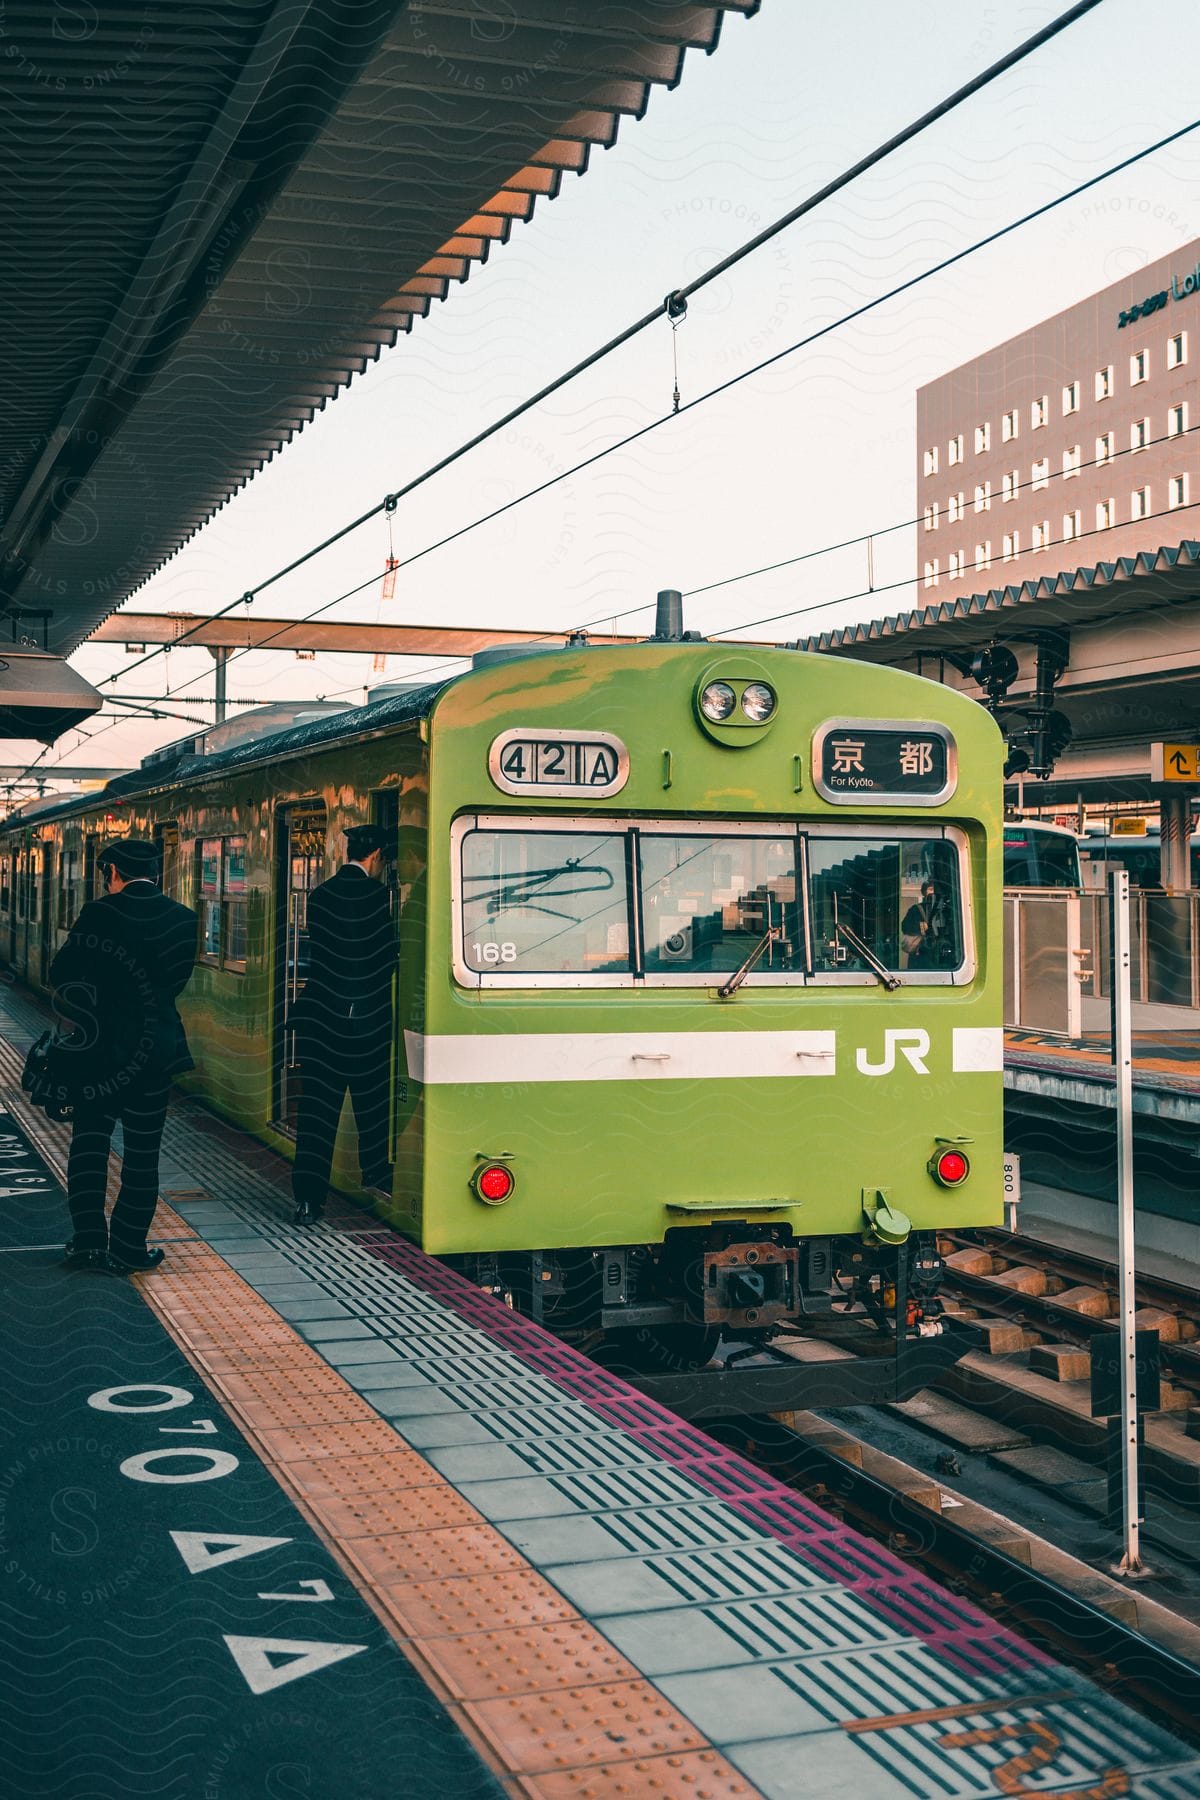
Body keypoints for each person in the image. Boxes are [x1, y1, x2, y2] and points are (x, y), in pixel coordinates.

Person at [50, 838, 198, 1272]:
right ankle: (129, 1247)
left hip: (98, 1052)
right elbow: (174, 985)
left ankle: (89, 1243)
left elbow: (61, 974)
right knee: (142, 1154)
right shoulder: (183, 919)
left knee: (90, 1146)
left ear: (113, 872)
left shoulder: (99, 913)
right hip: (156, 1052)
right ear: (155, 873)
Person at [291, 823, 396, 1225]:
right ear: (377, 857)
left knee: (317, 1114)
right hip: (368, 1021)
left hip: (323, 1019)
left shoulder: (320, 895)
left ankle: (307, 1202)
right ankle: (374, 1171)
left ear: (348, 852)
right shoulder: (380, 897)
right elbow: (386, 956)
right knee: (373, 1103)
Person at [901, 879, 936, 968]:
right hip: (920, 953)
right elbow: (905, 926)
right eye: (931, 889)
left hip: (935, 953)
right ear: (924, 892)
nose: (933, 892)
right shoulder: (916, 909)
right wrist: (923, 927)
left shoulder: (945, 908)